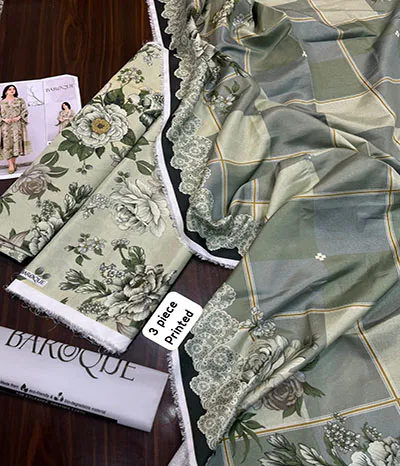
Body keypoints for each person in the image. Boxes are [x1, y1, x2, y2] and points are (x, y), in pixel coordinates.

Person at [0, 84, 31, 174]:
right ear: (5, 91)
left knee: (16, 144)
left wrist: (19, 117)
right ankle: (10, 164)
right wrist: (4, 119)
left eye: (14, 89)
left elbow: (25, 111)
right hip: (5, 126)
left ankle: (13, 164)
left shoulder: (20, 101)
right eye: (9, 89)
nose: (12, 90)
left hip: (17, 125)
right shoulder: (1, 103)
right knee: (7, 144)